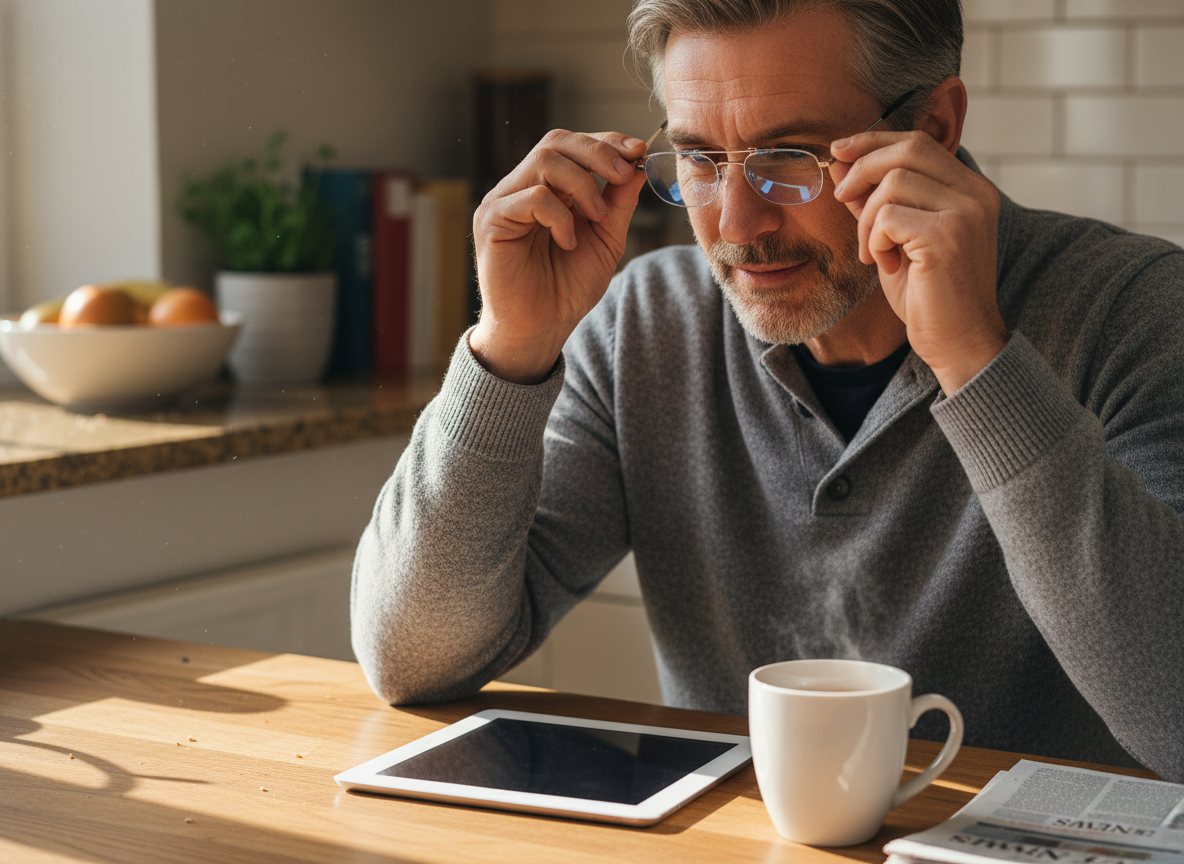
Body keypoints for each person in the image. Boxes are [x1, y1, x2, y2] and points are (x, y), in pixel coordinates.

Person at [352, 0, 1184, 782]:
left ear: (932, 128)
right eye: (701, 160)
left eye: (790, 158)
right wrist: (509, 346)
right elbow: (411, 659)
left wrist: (976, 360)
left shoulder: (1136, 312)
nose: (737, 224)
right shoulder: (647, 325)